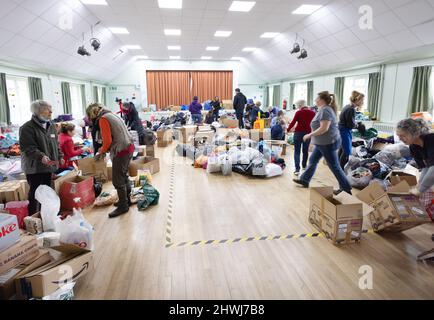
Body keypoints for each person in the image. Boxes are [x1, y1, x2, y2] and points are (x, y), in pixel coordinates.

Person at [293, 91, 352, 195]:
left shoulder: (325, 110)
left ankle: (346, 188)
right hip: (322, 143)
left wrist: (309, 135)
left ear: (322, 100)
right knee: (313, 160)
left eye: (317, 98)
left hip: (328, 143)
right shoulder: (323, 110)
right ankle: (305, 180)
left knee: (334, 166)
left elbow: (324, 128)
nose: (315, 100)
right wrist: (313, 141)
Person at [86, 103, 134, 219]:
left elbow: (107, 141)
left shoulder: (103, 119)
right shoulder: (111, 114)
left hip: (121, 150)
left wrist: (100, 152)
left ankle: (123, 205)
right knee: (123, 175)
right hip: (129, 147)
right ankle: (127, 200)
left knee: (117, 180)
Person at [20, 100, 64, 215]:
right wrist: (41, 156)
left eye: (51, 108)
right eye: (47, 109)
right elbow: (28, 148)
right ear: (37, 112)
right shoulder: (27, 128)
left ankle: (48, 215)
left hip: (49, 166)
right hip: (35, 168)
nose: (51, 112)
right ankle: (33, 216)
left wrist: (60, 156)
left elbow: (56, 144)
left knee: (47, 190)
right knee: (35, 192)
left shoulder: (52, 126)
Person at [396, 118, 434, 195]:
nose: (400, 139)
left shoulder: (431, 140)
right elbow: (425, 167)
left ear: (414, 133)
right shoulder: (413, 147)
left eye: (403, 135)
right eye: (398, 136)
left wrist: (421, 189)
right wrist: (419, 186)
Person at [287, 100, 316, 176]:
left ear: (300, 105)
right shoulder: (313, 113)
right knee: (305, 151)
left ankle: (297, 169)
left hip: (298, 133)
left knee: (297, 151)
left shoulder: (298, 112)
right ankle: (304, 166)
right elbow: (315, 124)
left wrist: (287, 129)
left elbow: (293, 122)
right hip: (308, 134)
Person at [339, 91, 365, 169]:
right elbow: (350, 125)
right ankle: (341, 172)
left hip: (342, 130)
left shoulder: (348, 106)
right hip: (344, 131)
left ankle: (338, 169)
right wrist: (358, 126)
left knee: (342, 150)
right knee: (347, 152)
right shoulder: (351, 109)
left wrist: (356, 123)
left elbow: (348, 121)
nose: (363, 102)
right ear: (357, 100)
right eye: (362, 100)